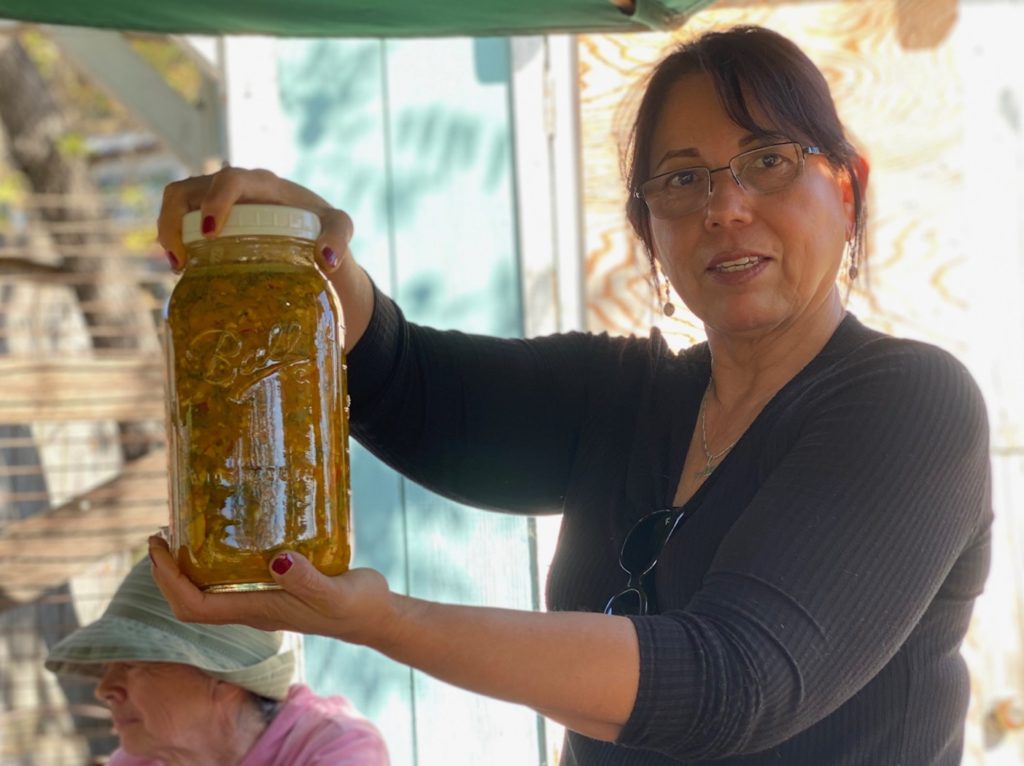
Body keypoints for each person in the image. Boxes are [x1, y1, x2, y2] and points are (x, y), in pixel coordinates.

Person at [149, 25, 992, 765]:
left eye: (768, 161)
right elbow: (403, 384)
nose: (725, 207)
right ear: (648, 231)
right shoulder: (626, 398)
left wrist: (384, 622)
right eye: (682, 180)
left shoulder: (912, 406)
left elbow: (733, 684)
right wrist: (314, 256)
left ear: (845, 188)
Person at [45, 558, 390, 766]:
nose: (104, 689)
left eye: (134, 664)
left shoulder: (334, 748)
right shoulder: (141, 758)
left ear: (224, 680)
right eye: (108, 667)